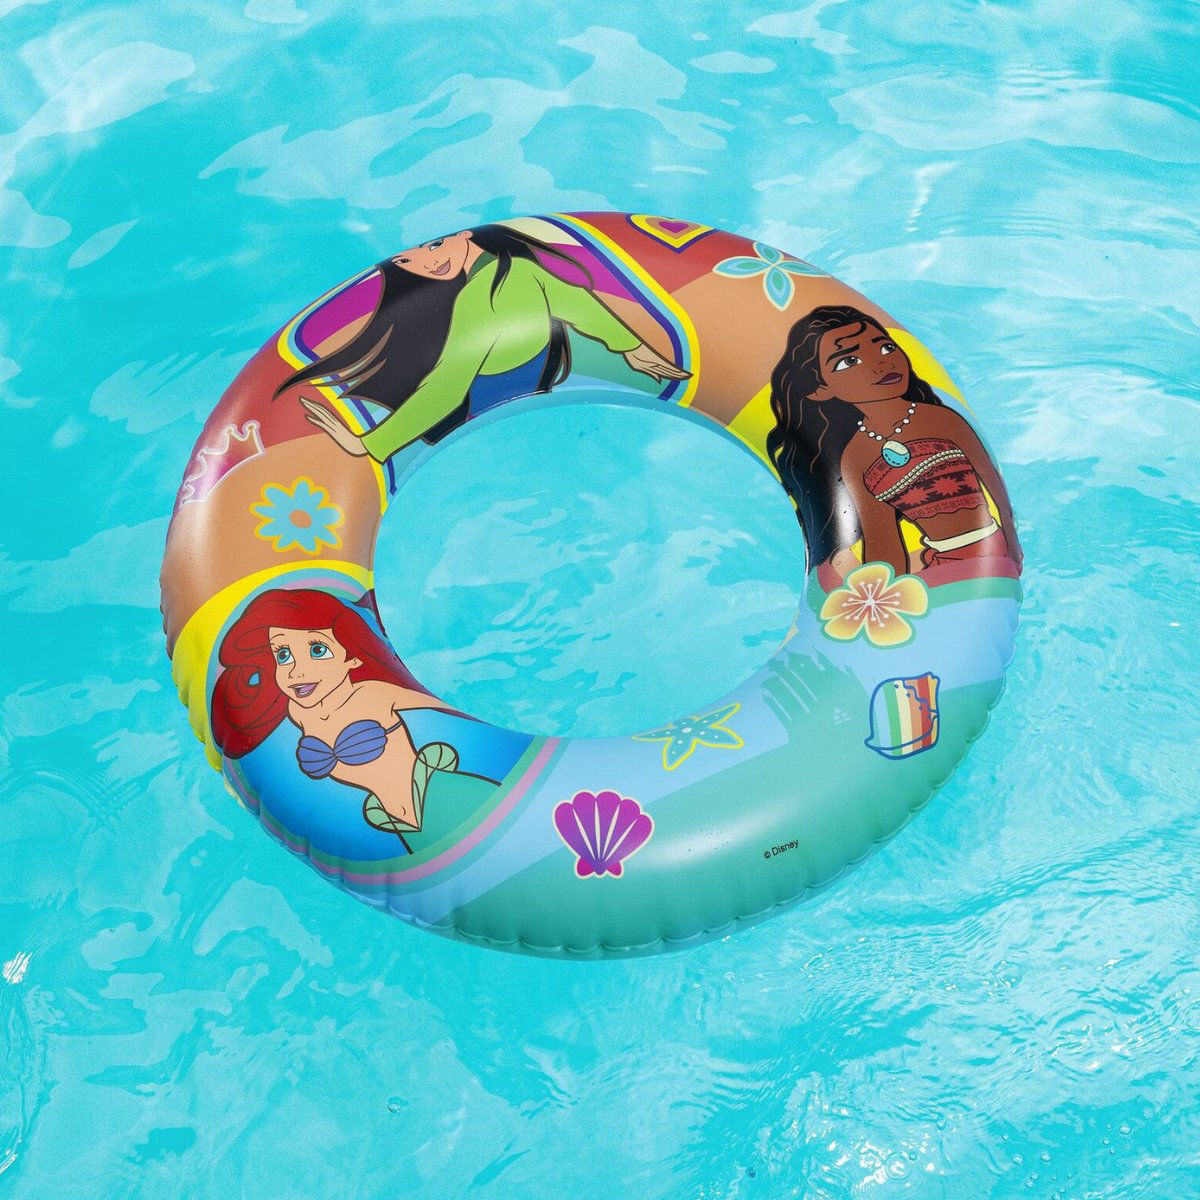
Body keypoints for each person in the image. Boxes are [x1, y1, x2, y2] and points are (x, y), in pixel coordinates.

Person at [276, 225, 689, 461]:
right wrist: (632, 349)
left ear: (466, 236)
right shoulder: (503, 280)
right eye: (406, 262)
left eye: (436, 245)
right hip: (507, 385)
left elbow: (575, 302)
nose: (427, 261)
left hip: (502, 385)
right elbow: (447, 386)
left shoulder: (497, 285)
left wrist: (369, 444)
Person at [210, 588, 498, 854]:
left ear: (353, 657)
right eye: (283, 655)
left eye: (317, 650)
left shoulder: (374, 693)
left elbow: (443, 713)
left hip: (443, 794)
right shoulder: (298, 712)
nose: (296, 671)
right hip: (396, 821)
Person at [766, 305, 1020, 578]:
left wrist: (1012, 550)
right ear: (820, 390)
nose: (881, 363)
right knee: (837, 570)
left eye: (886, 347)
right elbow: (883, 542)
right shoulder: (855, 457)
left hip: (988, 551)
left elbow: (995, 489)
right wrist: (885, 591)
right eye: (849, 361)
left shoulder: (942, 420)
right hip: (941, 560)